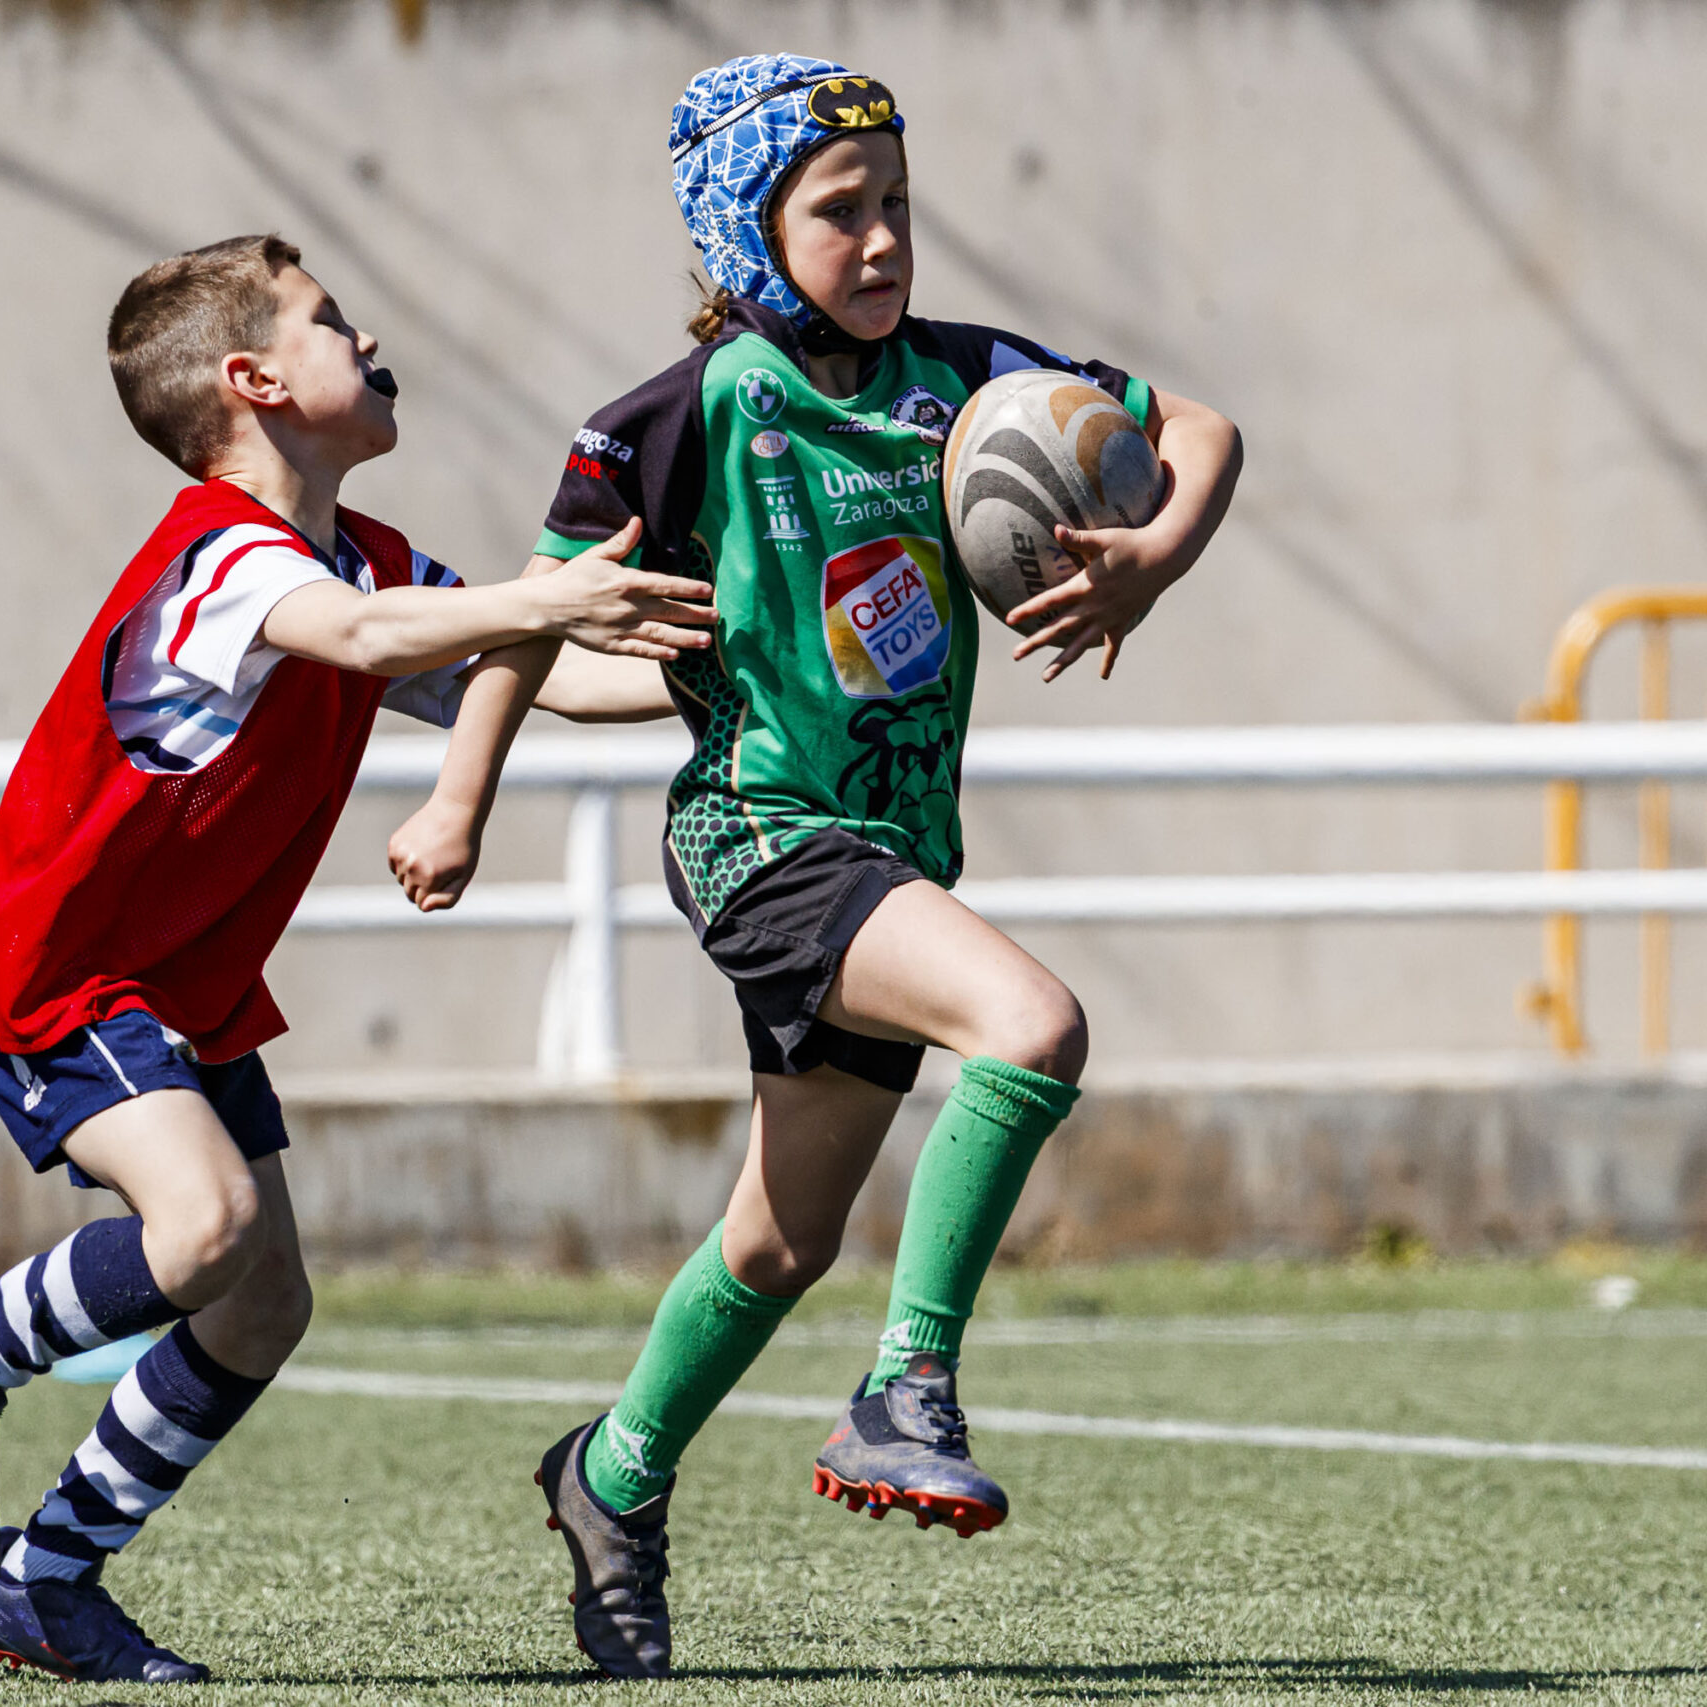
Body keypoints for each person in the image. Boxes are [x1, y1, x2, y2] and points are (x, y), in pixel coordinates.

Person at [419, 56, 1244, 1678]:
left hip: (891, 847)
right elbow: (528, 624)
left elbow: (1204, 428)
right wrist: (463, 800)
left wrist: (1148, 556)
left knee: (778, 1243)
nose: (881, 245)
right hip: (765, 839)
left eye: (897, 211)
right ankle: (906, 1388)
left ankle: (611, 1475)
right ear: (745, 230)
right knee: (1033, 1025)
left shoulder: (966, 380)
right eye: (837, 214)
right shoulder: (680, 415)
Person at [0, 232, 716, 1686]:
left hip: (181, 984)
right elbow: (383, 638)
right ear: (253, 381)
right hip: (63, 968)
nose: (370, 337)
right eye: (334, 322)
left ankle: (45, 1586)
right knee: (202, 1233)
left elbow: (553, 676)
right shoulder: (224, 560)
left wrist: (749, 646)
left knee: (265, 1300)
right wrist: (541, 598)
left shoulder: (368, 557)